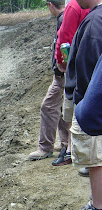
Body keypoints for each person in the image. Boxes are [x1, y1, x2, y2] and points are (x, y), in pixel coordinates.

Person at [63, 0, 102, 210]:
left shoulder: (95, 22)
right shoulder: (95, 17)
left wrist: (83, 100)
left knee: (95, 157)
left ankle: (97, 209)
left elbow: (88, 67)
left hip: (92, 101)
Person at [28, 0, 71, 163]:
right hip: (64, 73)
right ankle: (66, 141)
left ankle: (45, 148)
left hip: (62, 74)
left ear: (50, 5)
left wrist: (62, 67)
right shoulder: (66, 16)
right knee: (60, 107)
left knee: (48, 107)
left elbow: (64, 45)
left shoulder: (62, 19)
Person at [54, 0, 89, 168]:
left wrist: (62, 62)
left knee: (71, 106)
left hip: (76, 65)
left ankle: (69, 149)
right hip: (89, 63)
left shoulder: (74, 6)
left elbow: (65, 37)